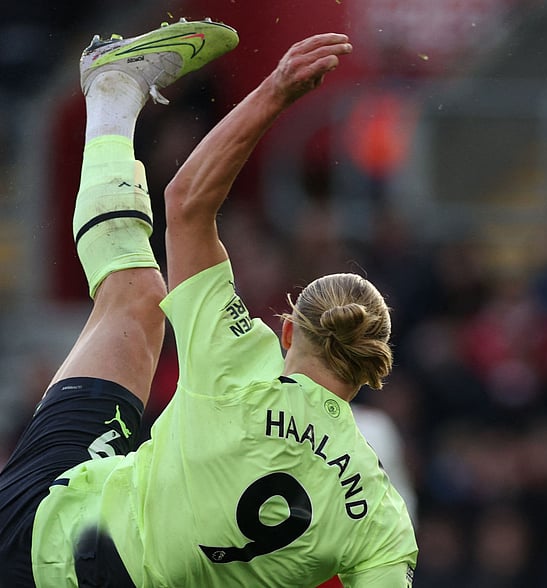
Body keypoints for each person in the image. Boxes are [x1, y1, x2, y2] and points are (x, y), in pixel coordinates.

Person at [0, 19, 417, 587]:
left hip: (42, 541)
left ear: (290, 331)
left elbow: (188, 203)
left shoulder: (240, 361)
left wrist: (274, 92)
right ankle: (114, 86)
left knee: (137, 297)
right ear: (372, 372)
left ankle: (113, 96)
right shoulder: (381, 520)